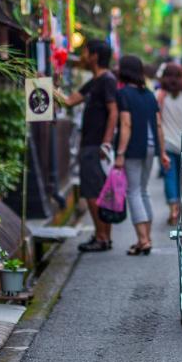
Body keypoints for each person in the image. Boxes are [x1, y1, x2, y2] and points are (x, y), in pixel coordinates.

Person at [57, 39, 118, 252]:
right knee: (95, 191)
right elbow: (69, 101)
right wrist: (45, 86)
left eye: (85, 51)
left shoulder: (107, 80)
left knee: (93, 192)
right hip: (90, 144)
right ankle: (102, 236)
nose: (82, 55)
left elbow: (113, 111)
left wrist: (107, 142)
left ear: (94, 55)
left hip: (96, 145)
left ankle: (102, 237)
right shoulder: (94, 81)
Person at [114, 55, 169, 255]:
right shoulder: (149, 95)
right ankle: (146, 238)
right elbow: (159, 124)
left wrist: (120, 153)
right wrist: (162, 152)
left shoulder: (123, 94)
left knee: (134, 192)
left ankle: (143, 240)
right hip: (151, 146)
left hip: (133, 147)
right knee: (143, 191)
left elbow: (126, 125)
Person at [156, 62, 182, 226]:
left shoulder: (159, 97)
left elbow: (157, 123)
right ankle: (181, 207)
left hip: (167, 143)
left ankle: (173, 208)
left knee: (169, 177)